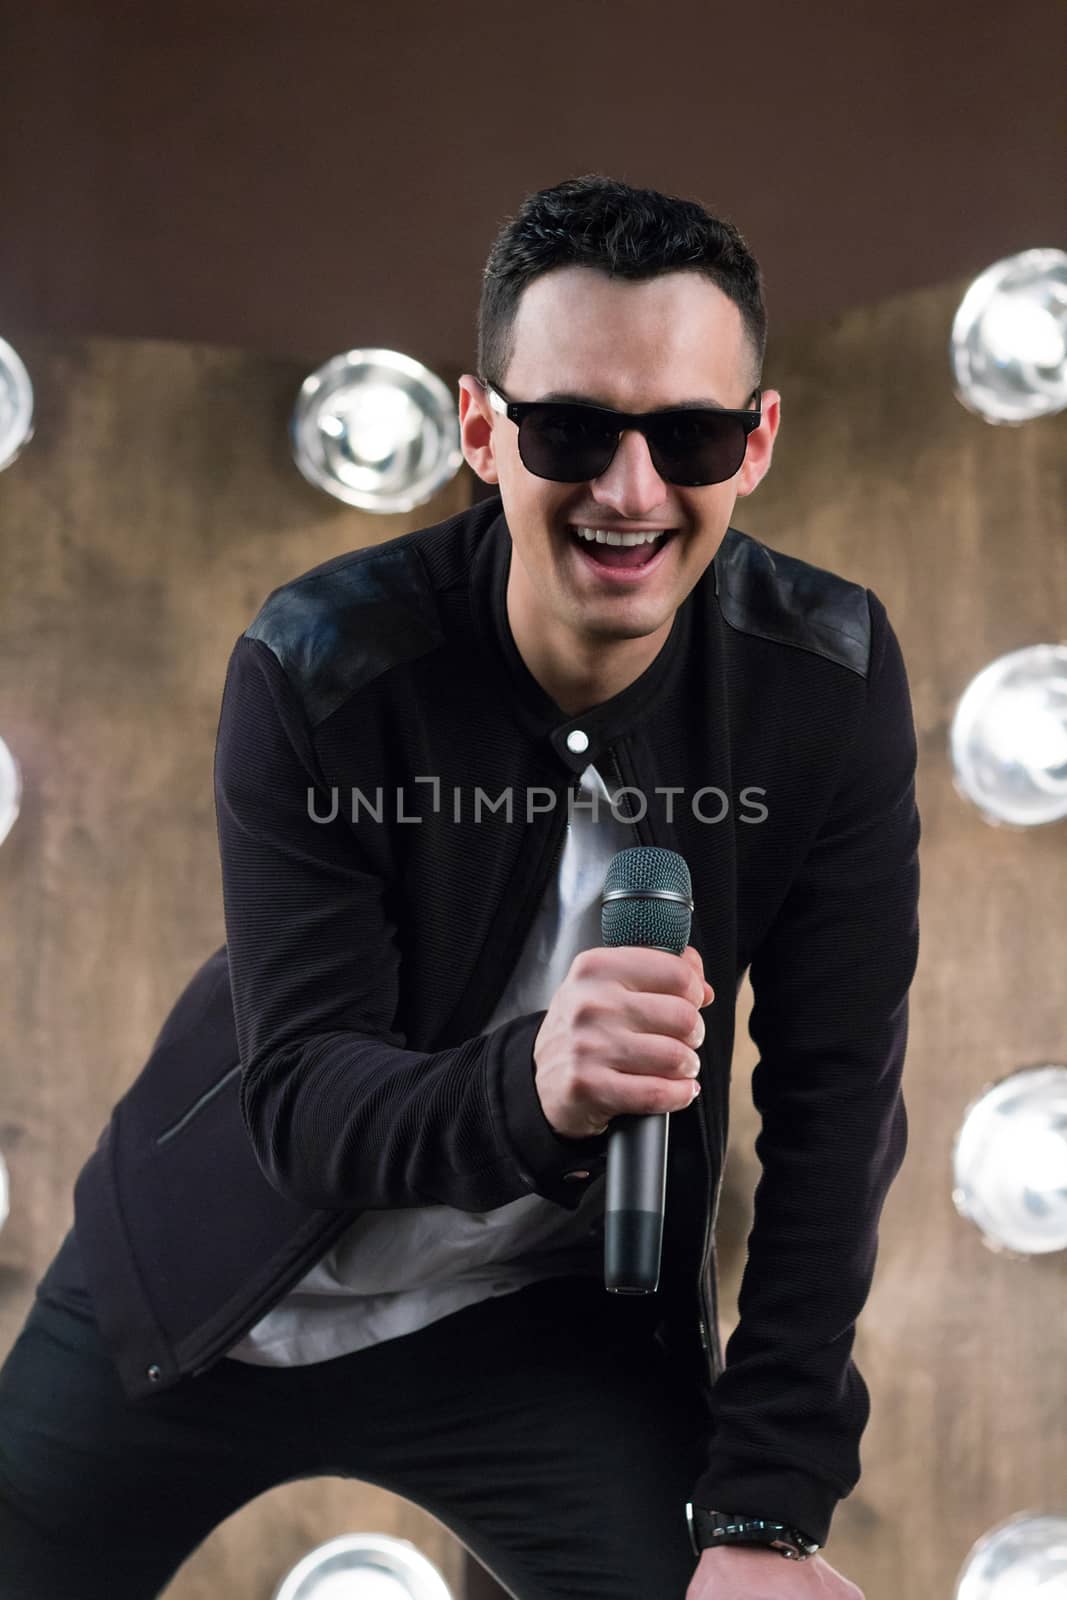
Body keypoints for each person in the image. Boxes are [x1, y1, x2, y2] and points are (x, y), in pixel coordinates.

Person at [0, 174, 919, 1600]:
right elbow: (300, 1094)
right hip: (204, 1288)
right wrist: (535, 1088)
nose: (630, 491)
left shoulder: (827, 682)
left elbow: (835, 1106)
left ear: (758, 443)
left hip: (541, 1329)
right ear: (483, 431)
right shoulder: (322, 665)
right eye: (569, 430)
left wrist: (767, 1515)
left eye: (689, 435)